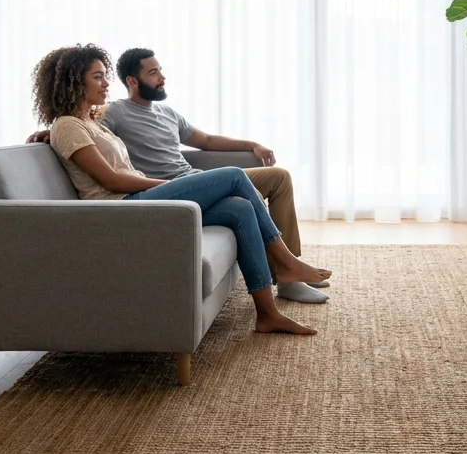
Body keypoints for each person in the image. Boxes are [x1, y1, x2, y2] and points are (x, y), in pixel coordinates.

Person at [31, 44, 330, 335]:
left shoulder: (91, 122)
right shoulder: (70, 125)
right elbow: (112, 180)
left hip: (139, 197)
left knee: (240, 207)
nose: (107, 82)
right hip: (125, 205)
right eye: (98, 76)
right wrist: (168, 184)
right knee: (235, 176)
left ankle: (268, 315)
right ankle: (288, 263)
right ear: (73, 81)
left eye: (104, 75)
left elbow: (206, 140)